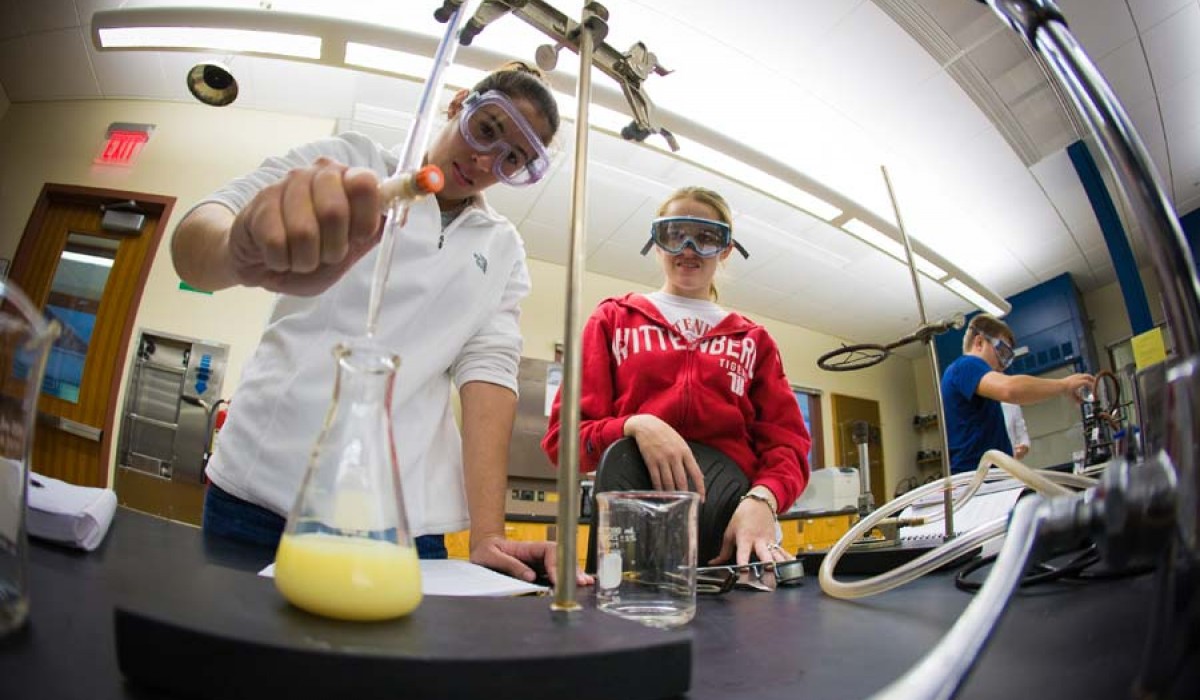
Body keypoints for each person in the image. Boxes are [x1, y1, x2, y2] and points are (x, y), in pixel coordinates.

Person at [172, 63, 590, 586]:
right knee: (232, 654)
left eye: (513, 160)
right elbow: (195, 240)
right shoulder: (354, 165)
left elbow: (489, 377)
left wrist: (487, 534)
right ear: (459, 102)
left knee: (383, 667)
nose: (486, 161)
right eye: (487, 129)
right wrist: (239, 249)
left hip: (403, 519)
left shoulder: (502, 246)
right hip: (264, 490)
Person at [541, 186, 811, 569]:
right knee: (624, 624)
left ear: (726, 249)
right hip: (632, 523)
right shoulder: (613, 320)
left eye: (705, 237)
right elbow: (562, 443)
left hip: (733, 526)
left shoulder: (753, 340)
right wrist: (635, 424)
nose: (688, 248)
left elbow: (788, 446)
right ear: (656, 242)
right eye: (675, 234)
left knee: (747, 626)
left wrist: (764, 499)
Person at [941, 314, 1092, 473]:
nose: (1003, 365)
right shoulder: (966, 365)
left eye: (1008, 359)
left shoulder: (972, 381)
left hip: (989, 478)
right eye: (1002, 352)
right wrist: (1064, 385)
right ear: (979, 342)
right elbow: (1010, 389)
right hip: (978, 482)